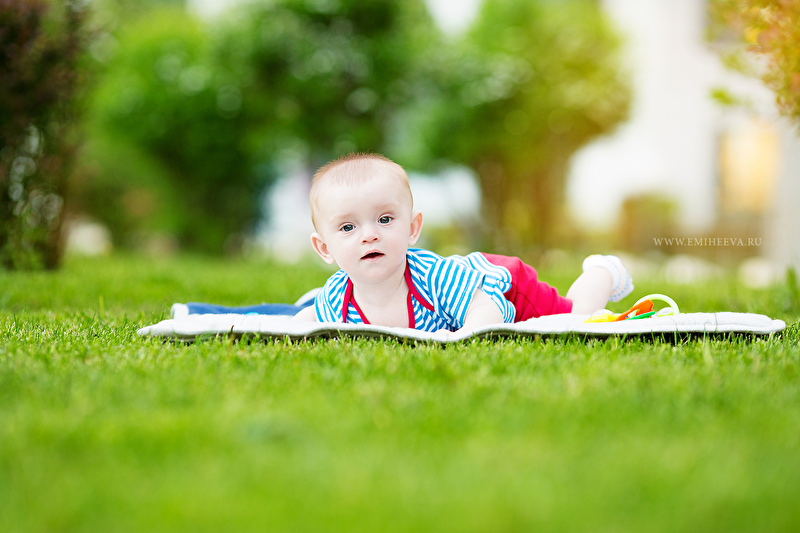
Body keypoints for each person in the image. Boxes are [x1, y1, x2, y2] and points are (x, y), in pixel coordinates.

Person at [293, 153, 633, 334]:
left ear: (412, 229)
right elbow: (308, 319)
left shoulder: (433, 278)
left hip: (502, 287)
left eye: (384, 220)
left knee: (577, 316)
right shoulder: (336, 298)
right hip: (481, 289)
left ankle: (603, 271)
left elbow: (490, 309)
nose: (369, 235)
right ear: (325, 249)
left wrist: (461, 337)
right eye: (348, 227)